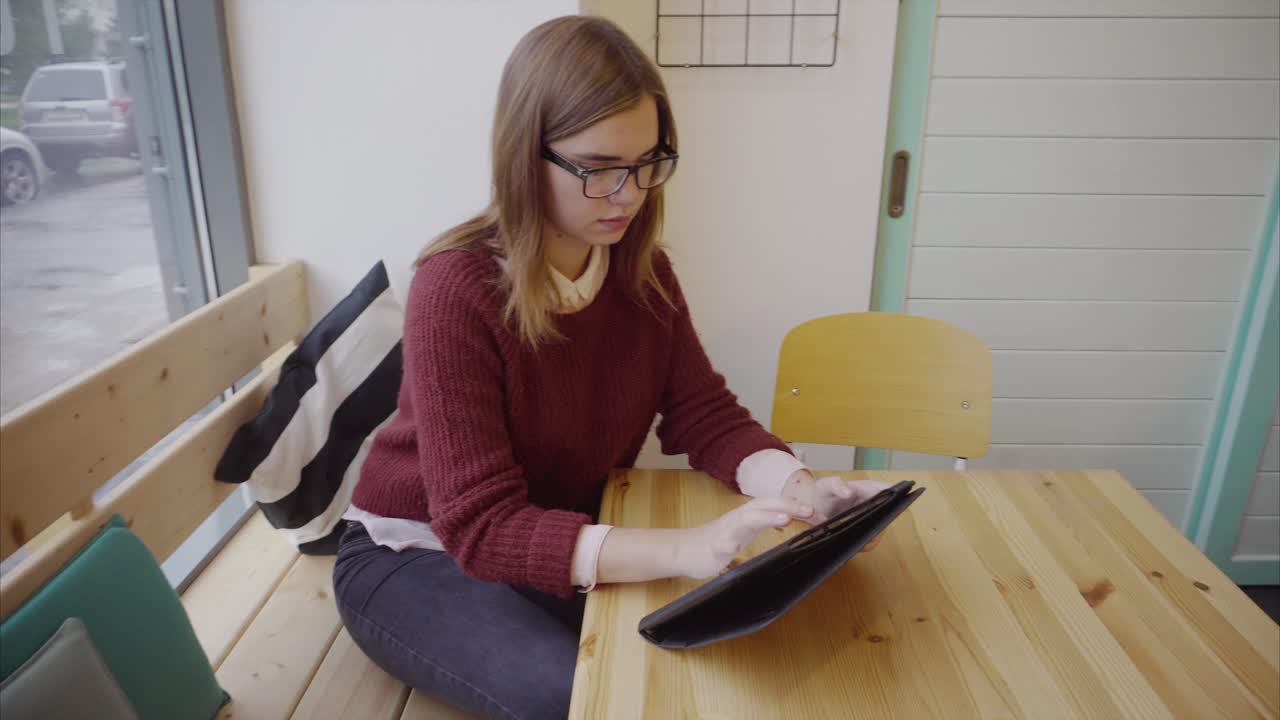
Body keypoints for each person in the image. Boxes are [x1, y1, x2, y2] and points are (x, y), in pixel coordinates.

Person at [333, 15, 887, 720]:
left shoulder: (644, 276)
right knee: (570, 694)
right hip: (413, 552)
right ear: (524, 154)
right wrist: (689, 548)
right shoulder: (456, 288)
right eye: (598, 169)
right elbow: (481, 527)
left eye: (647, 163)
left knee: (735, 635)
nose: (629, 193)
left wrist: (803, 492)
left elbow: (705, 415)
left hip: (547, 539)